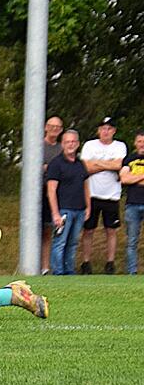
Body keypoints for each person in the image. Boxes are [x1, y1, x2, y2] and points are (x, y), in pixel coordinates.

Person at [79, 117, 127, 274]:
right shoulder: (89, 145)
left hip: (112, 195)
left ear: (114, 131)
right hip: (91, 194)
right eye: (103, 128)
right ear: (98, 130)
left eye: (109, 128)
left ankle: (110, 262)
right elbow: (85, 167)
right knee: (88, 230)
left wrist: (97, 164)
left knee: (111, 230)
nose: (106, 131)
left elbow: (119, 165)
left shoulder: (120, 146)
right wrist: (108, 165)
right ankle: (86, 262)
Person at [46, 129, 91, 275]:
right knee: (60, 243)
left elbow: (85, 186)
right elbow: (51, 190)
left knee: (73, 243)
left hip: (79, 210)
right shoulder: (56, 164)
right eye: (67, 142)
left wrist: (88, 207)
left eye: (73, 142)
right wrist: (55, 213)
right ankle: (58, 272)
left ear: (77, 144)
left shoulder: (80, 164)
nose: (70, 144)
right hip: (64, 210)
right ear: (62, 144)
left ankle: (69, 271)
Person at [40, 116, 64, 275]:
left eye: (58, 127)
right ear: (45, 127)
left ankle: (45, 267)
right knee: (36, 231)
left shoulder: (62, 148)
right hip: (38, 192)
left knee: (49, 230)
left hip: (56, 192)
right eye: (51, 126)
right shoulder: (39, 146)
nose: (54, 129)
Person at [120, 130, 144, 275]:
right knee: (131, 242)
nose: (142, 144)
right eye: (140, 141)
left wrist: (134, 177)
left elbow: (129, 178)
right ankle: (131, 273)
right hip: (132, 204)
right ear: (135, 143)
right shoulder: (128, 159)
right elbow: (124, 179)